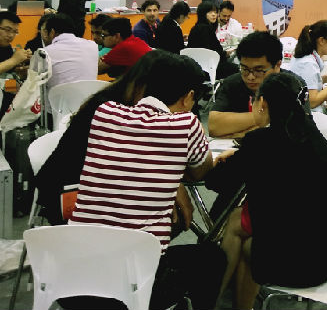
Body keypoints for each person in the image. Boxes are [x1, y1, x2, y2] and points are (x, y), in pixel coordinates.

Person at [69, 53, 225, 310]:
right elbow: (201, 172)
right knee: (211, 257)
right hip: (134, 286)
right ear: (188, 96)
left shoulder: (104, 112)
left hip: (74, 277)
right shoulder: (186, 124)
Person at [206, 72, 327, 310]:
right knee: (243, 228)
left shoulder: (261, 142)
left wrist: (232, 159)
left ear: (262, 103)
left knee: (237, 226)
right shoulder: (313, 134)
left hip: (292, 264)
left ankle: (207, 302)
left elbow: (216, 182)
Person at [35, 51, 194, 225]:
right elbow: (130, 166)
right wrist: (173, 185)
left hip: (80, 188)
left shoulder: (114, 100)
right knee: (164, 216)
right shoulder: (112, 112)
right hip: (68, 195)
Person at [208, 31, 308, 138]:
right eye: (245, 69)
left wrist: (240, 132)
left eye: (258, 70)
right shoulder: (232, 83)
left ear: (277, 65)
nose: (250, 77)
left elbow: (299, 131)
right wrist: (267, 117)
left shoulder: (293, 85)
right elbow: (214, 127)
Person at [284, 20, 327, 112]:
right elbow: (312, 102)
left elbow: (305, 84)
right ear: (321, 40)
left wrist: (324, 79)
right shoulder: (308, 64)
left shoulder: (306, 58)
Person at [39, 13, 98, 90]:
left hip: (58, 97)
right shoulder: (93, 45)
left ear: (52, 32)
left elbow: (33, 81)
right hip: (90, 95)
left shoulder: (45, 52)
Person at [188, 0, 237, 80]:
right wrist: (225, 53)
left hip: (197, 68)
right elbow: (209, 53)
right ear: (203, 14)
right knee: (237, 68)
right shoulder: (206, 29)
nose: (214, 14)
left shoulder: (195, 28)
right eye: (210, 12)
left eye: (215, 12)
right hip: (208, 69)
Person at [0, 11, 31, 115]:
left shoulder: (7, 48)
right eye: (7, 30)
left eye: (15, 32)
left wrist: (20, 73)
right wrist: (14, 60)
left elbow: (7, 78)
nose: (11, 35)